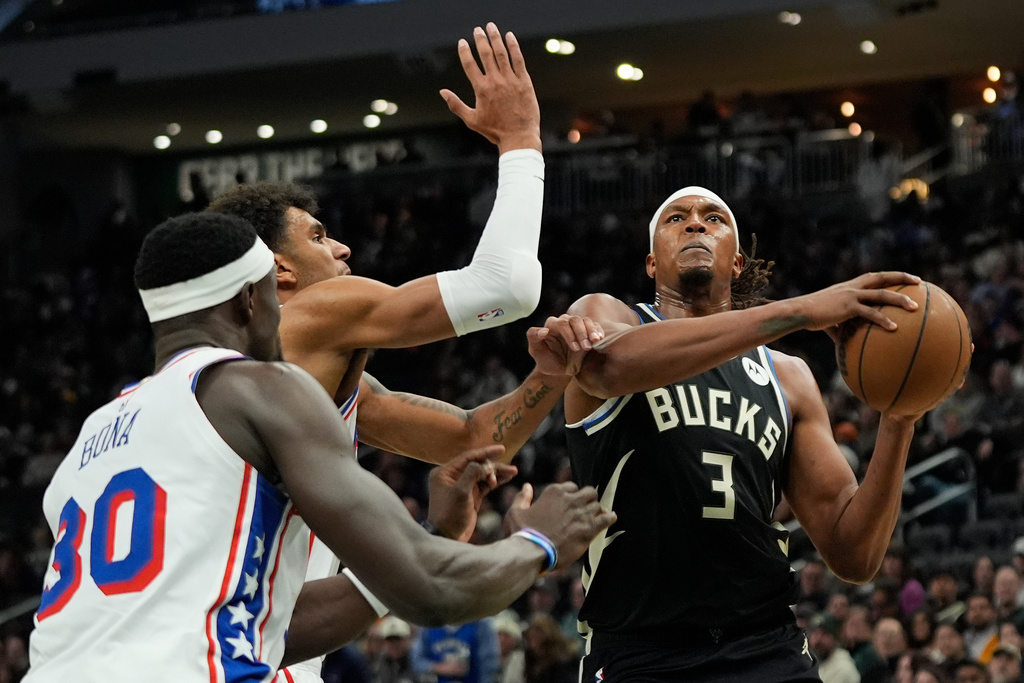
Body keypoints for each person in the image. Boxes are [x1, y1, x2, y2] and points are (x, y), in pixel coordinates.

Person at [23, 213, 616, 681]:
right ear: (252, 299)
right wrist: (538, 540)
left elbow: (277, 629)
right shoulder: (263, 387)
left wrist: (435, 537)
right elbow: (434, 591)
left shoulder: (92, 437)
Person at [207, 23, 604, 683]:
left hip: (256, 641)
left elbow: (475, 439)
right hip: (237, 648)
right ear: (277, 271)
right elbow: (504, 286)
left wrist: (547, 376)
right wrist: (521, 142)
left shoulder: (285, 378)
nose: (343, 251)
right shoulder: (309, 314)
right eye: (319, 235)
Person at [561, 185, 925, 681]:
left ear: (735, 263)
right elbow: (607, 369)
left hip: (765, 645)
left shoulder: (788, 377)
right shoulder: (606, 316)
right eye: (676, 219)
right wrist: (800, 311)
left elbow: (854, 553)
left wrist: (900, 417)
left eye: (714, 218)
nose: (695, 224)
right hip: (641, 651)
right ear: (651, 264)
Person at [809, 612, 861, 683]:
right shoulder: (811, 663)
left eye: (824, 634)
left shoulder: (844, 668)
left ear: (835, 638)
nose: (818, 639)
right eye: (815, 633)